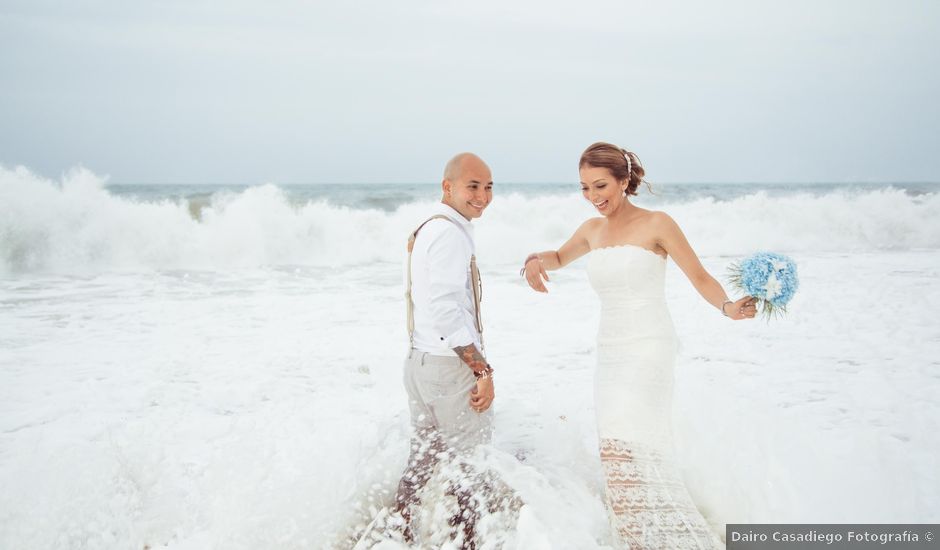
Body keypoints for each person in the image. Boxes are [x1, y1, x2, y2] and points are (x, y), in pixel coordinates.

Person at [521, 142, 756, 548]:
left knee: (626, 448)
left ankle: (645, 540)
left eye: (600, 186)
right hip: (609, 352)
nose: (593, 197)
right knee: (615, 452)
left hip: (649, 347)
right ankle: (639, 539)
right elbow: (558, 256)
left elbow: (698, 275)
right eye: (584, 189)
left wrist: (728, 307)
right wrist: (532, 260)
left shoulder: (658, 223)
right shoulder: (591, 231)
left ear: (624, 181)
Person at [393, 152, 496, 547]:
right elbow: (446, 307)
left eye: (488, 187)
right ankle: (468, 543)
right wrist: (482, 370)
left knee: (422, 461)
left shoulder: (426, 227)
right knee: (471, 467)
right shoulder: (450, 234)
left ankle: (398, 536)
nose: (483, 196)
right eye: (473, 186)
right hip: (449, 367)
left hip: (419, 364)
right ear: (447, 186)